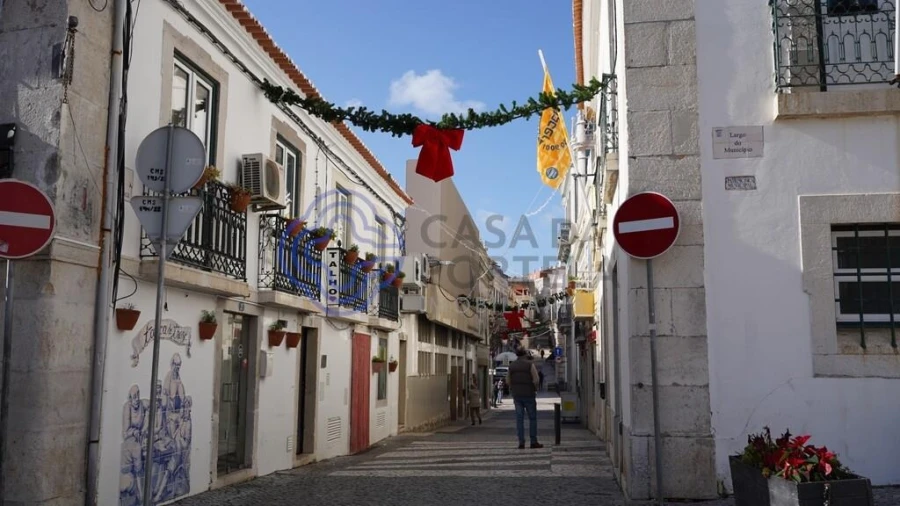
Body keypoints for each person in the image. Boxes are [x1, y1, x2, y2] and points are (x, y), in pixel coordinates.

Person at [508, 348, 543, 449]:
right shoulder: (529, 365)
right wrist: (534, 388)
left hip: (517, 395)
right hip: (529, 394)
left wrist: (513, 388)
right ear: (525, 355)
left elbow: (508, 380)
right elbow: (536, 379)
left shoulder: (512, 366)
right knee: (532, 418)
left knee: (519, 419)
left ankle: (521, 442)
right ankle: (533, 441)